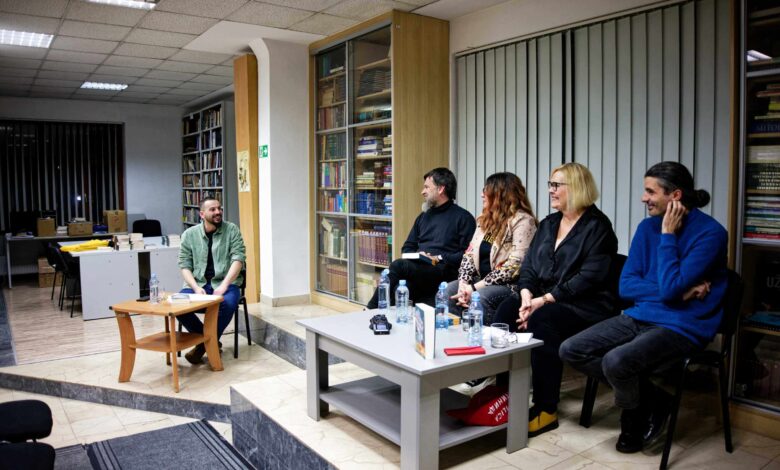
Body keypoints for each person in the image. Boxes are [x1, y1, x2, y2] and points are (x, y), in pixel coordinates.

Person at [559, 161, 728, 454]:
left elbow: (671, 288)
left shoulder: (710, 233)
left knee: (617, 361)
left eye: (650, 191)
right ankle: (655, 401)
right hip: (641, 315)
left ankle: (633, 418)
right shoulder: (646, 227)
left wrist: (668, 236)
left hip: (683, 325)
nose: (643, 198)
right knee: (571, 349)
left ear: (675, 195)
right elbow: (627, 287)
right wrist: (679, 291)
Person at [492, 162, 618, 438]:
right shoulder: (549, 224)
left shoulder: (598, 227)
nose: (551, 190)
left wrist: (544, 300)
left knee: (543, 321)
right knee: (507, 309)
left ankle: (546, 409)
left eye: (556, 185)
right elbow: (529, 266)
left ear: (577, 188)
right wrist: (526, 294)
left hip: (586, 305)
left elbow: (589, 278)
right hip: (544, 299)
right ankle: (503, 395)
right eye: (550, 184)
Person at [366, 168, 476, 308]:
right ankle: (383, 316)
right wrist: (419, 255)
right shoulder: (423, 216)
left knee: (398, 265)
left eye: (427, 187)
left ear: (441, 189)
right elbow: (407, 247)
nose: (422, 192)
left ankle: (370, 308)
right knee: (400, 287)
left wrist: (438, 258)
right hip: (421, 268)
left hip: (444, 270)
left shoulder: (464, 218)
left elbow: (467, 255)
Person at [445, 172, 537, 324]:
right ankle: (456, 335)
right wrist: (463, 284)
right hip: (480, 281)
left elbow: (513, 266)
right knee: (449, 291)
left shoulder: (523, 221)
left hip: (509, 285)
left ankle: (484, 338)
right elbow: (469, 254)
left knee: (481, 297)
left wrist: (474, 288)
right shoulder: (486, 220)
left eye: (486, 190)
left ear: (500, 195)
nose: (482, 195)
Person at [178, 196, 246, 364]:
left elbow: (238, 259)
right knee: (178, 305)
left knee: (227, 304)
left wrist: (224, 285)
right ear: (202, 214)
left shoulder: (231, 230)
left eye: (219, 208)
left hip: (226, 283)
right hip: (198, 284)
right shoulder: (189, 235)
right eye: (213, 209)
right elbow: (184, 265)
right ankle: (210, 342)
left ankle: (202, 345)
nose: (218, 212)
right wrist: (195, 287)